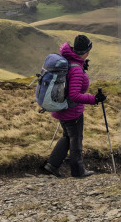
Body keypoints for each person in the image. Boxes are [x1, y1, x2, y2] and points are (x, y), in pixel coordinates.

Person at [44, 34, 106, 178]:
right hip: (72, 111)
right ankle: (78, 171)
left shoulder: (68, 60)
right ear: (87, 50)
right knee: (76, 139)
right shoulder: (76, 69)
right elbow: (74, 95)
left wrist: (81, 66)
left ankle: (52, 165)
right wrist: (95, 99)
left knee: (67, 136)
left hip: (62, 108)